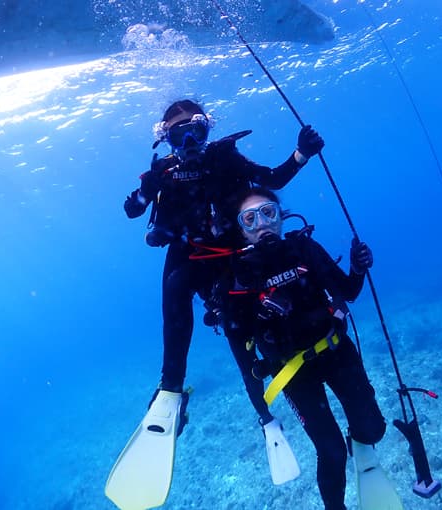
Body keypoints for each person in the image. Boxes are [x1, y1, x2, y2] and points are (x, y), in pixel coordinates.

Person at [110, 100, 323, 506]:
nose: (189, 142)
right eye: (177, 135)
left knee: (238, 332)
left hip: (228, 257)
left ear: (208, 129)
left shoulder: (226, 158)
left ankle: (265, 418)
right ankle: (170, 389)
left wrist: (302, 153)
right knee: (174, 286)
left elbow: (273, 177)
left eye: (196, 130)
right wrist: (143, 192)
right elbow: (133, 211)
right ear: (165, 139)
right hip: (190, 255)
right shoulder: (162, 173)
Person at [217, 187, 403, 510]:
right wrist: (259, 311)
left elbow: (348, 290)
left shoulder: (305, 249)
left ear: (280, 215)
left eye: (268, 213)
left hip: (335, 349)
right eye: (250, 219)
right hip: (293, 370)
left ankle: (360, 442)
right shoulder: (239, 275)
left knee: (374, 429)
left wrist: (358, 268)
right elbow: (238, 337)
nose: (262, 224)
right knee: (330, 451)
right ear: (242, 229)